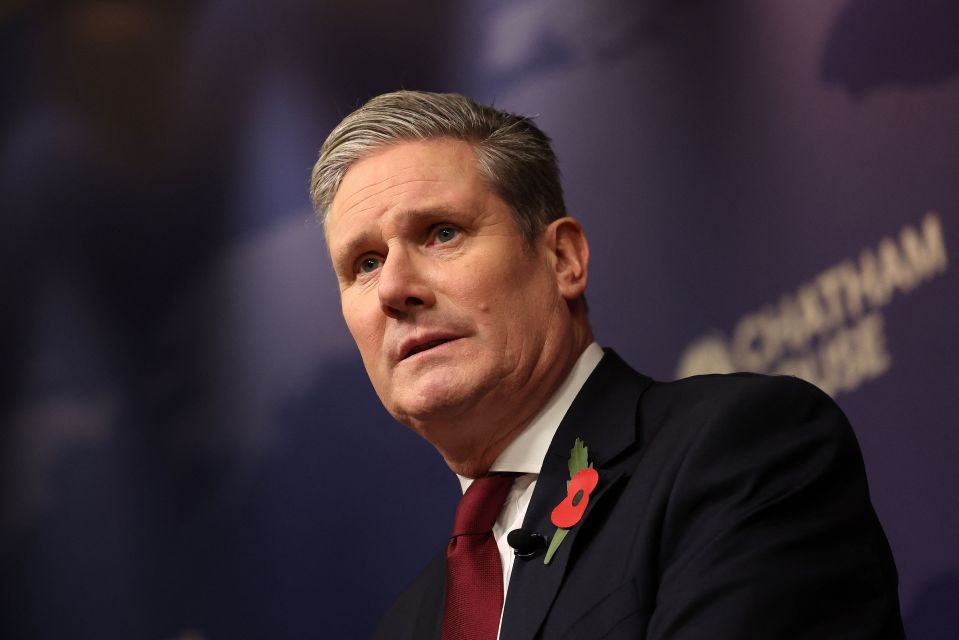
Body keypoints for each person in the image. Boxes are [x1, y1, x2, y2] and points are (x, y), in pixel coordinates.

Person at [310, 91, 904, 639]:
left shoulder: (741, 448)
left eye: (442, 233)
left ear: (563, 259)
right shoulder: (408, 624)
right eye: (364, 263)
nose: (393, 288)